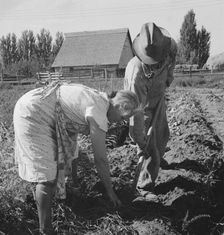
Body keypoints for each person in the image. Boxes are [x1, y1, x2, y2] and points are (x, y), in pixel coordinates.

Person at [13, 82, 140, 235]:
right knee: (47, 177)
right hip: (34, 113)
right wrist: (111, 193)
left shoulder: (100, 100)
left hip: (40, 107)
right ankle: (45, 229)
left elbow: (72, 146)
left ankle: (65, 193)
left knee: (56, 168)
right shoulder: (98, 111)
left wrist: (75, 182)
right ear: (120, 106)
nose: (121, 122)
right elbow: (100, 159)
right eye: (124, 117)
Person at [124, 22, 177, 201]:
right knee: (148, 145)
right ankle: (144, 186)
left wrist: (168, 78)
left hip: (158, 95)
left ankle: (158, 155)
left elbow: (172, 63)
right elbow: (135, 114)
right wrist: (141, 142)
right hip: (140, 105)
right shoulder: (136, 74)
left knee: (162, 134)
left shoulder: (169, 48)